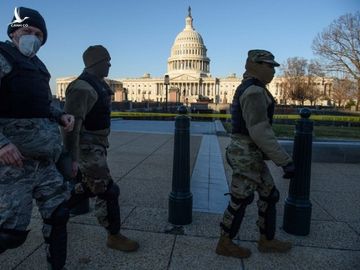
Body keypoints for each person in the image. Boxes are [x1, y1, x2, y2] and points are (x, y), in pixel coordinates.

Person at [0, 7, 74, 270]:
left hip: (44, 161)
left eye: (39, 34)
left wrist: (59, 115)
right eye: (27, 31)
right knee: (10, 233)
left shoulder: (38, 66)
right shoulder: (1, 56)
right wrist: (2, 144)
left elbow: (39, 104)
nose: (33, 37)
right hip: (13, 162)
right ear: (14, 31)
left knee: (59, 214)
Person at [216, 50, 295, 258]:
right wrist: (284, 161)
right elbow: (259, 130)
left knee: (269, 195)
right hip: (245, 153)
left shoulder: (254, 88)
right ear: (256, 65)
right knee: (240, 199)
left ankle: (267, 240)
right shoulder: (254, 91)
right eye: (269, 66)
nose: (272, 71)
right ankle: (224, 242)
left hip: (250, 152)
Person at [63, 45, 139, 252]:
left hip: (96, 145)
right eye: (107, 60)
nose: (110, 64)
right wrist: (71, 158)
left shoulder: (97, 85)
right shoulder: (81, 87)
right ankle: (113, 235)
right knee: (108, 190)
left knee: (88, 187)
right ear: (96, 63)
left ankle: (55, 212)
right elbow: (70, 126)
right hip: (86, 149)